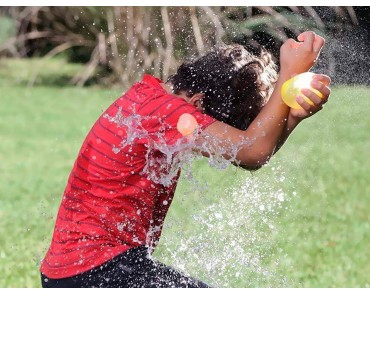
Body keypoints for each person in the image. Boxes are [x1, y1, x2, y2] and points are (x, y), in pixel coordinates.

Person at [40, 31, 330, 288]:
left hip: (82, 271)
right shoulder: (168, 113)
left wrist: (289, 118)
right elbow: (250, 151)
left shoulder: (151, 99)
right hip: (95, 271)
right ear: (198, 105)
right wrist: (289, 74)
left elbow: (253, 150)